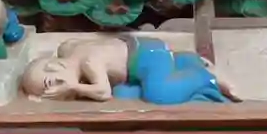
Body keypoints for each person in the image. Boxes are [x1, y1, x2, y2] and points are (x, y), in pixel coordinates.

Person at [20, 33, 236, 104]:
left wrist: (73, 87)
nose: (55, 91)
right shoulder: (67, 49)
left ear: (56, 65)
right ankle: (185, 62)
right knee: (124, 95)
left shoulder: (89, 63)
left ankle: (205, 76)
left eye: (50, 84)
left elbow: (103, 93)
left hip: (149, 56)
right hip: (134, 59)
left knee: (159, 94)